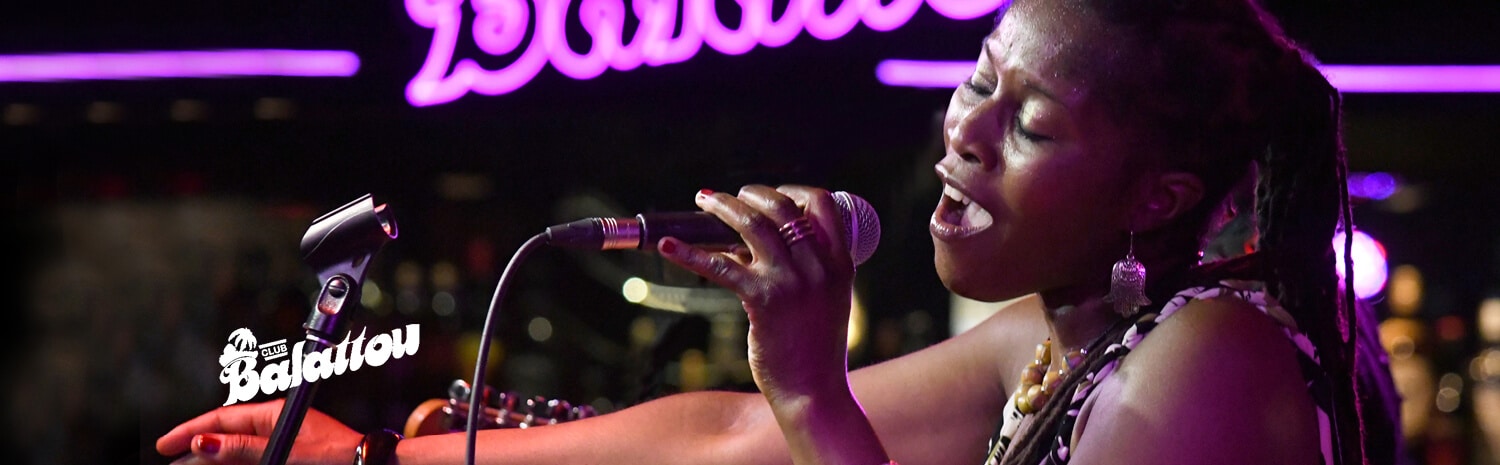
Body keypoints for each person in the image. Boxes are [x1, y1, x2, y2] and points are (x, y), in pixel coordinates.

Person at [158, 0, 1400, 464]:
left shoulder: (1211, 358)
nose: (965, 130)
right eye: (979, 81)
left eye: (1030, 123)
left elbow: (794, 423)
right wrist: (374, 459)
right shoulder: (1063, 336)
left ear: (1156, 199)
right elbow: (735, 437)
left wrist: (813, 393)